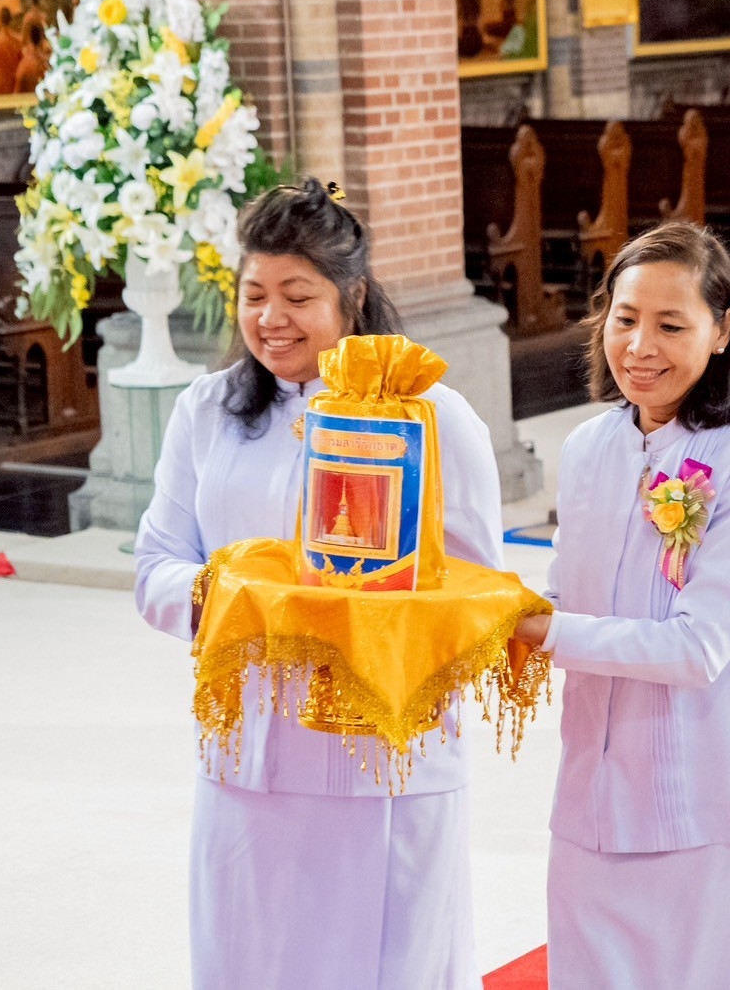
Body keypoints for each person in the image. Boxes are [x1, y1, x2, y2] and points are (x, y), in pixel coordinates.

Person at [134, 179, 500, 988]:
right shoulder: (208, 409)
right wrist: (243, 601)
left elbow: (479, 591)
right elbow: (155, 564)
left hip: (381, 761)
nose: (270, 318)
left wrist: (372, 624)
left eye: (297, 296)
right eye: (254, 293)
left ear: (353, 296)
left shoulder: (433, 416)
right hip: (248, 755)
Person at [510, 222, 730, 990]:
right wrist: (478, 614)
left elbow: (696, 646)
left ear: (721, 331)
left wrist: (543, 631)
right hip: (594, 792)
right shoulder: (586, 448)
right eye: (624, 318)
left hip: (715, 795)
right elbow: (567, 590)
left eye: (670, 324)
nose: (639, 345)